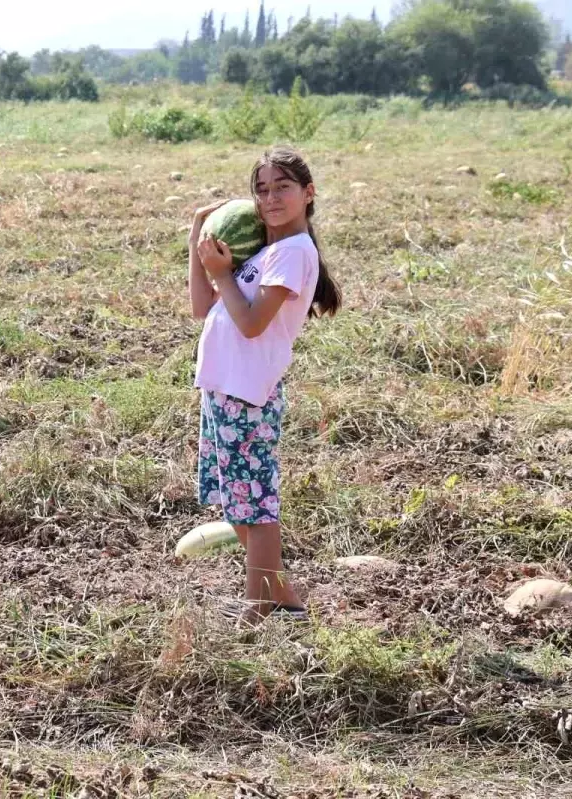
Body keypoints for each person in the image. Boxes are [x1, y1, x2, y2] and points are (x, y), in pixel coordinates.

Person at [188, 145, 341, 626]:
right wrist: (199, 236)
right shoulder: (269, 251)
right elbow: (201, 306)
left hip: (248, 392)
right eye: (262, 189)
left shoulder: (294, 253)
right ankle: (283, 597)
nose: (270, 198)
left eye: (283, 187)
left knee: (255, 505)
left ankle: (257, 610)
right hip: (223, 386)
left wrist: (221, 275)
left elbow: (253, 324)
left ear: (308, 194)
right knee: (237, 499)